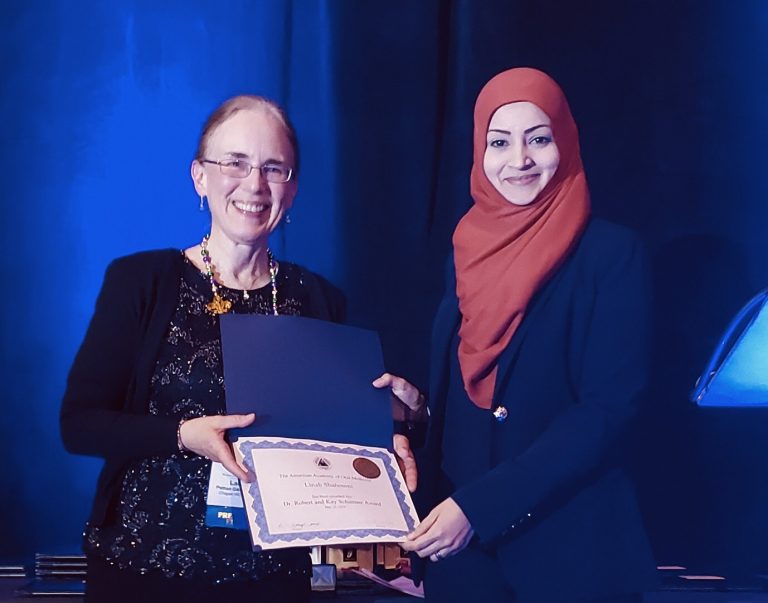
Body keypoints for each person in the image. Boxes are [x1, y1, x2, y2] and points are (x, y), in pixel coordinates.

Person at [60, 94, 415, 602]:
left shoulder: (319, 300)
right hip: (142, 572)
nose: (254, 184)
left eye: (274, 168)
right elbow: (79, 424)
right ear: (199, 176)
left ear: (293, 189)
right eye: (235, 163)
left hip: (274, 580)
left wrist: (393, 427)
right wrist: (183, 435)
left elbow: (338, 438)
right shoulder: (142, 282)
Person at [374, 68, 658, 602]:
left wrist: (479, 508)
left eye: (539, 139)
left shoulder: (611, 255)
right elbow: (484, 398)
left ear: (566, 142)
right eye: (499, 142)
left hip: (570, 556)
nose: (519, 160)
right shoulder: (465, 252)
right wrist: (422, 412)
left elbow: (608, 410)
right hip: (464, 563)